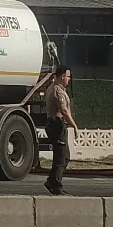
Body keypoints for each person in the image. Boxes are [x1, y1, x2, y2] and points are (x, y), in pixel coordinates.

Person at [44, 65, 78, 195]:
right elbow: (63, 110)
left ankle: (51, 181)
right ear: (62, 76)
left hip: (57, 125)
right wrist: (74, 126)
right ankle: (56, 186)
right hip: (57, 125)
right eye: (68, 76)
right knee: (60, 158)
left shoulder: (54, 88)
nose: (69, 79)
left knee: (65, 156)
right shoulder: (57, 90)